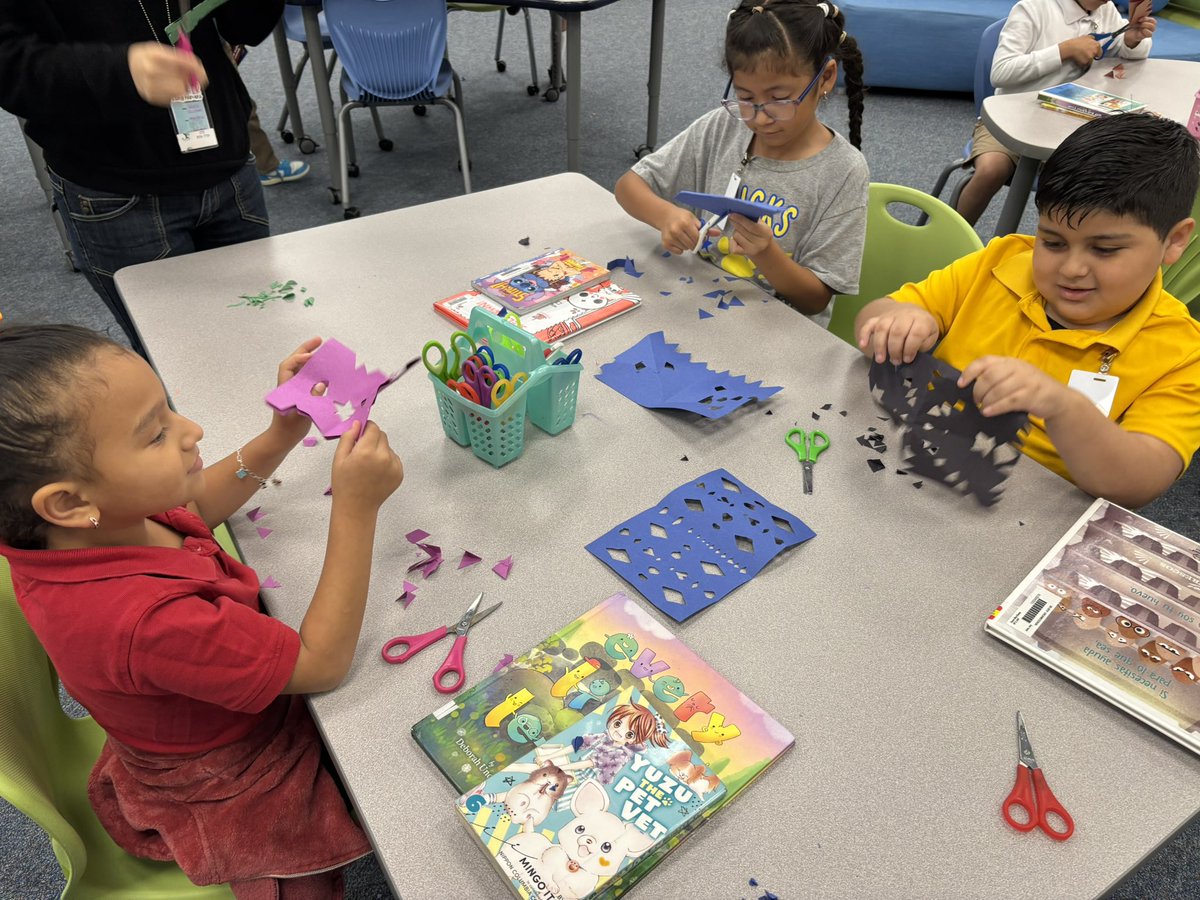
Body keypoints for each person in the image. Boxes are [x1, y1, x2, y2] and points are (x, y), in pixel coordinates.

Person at [0, 325, 404, 896]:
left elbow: (190, 508)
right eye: (156, 434)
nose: (193, 431)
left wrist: (279, 434)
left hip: (191, 709)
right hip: (225, 772)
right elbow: (320, 665)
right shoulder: (147, 622)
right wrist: (358, 508)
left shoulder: (91, 528)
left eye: (170, 410)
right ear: (69, 502)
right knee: (302, 862)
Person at [855, 113, 1200, 508]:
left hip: (1033, 517)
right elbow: (872, 320)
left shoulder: (1183, 354)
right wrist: (897, 320)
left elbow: (1140, 481)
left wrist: (1064, 407)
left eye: (1104, 250)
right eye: (1052, 242)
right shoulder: (1001, 261)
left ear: (1174, 241)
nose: (1071, 269)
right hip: (913, 469)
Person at [0, 1, 286, 357]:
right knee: (181, 359)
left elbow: (243, 26)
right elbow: (9, 63)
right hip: (117, 190)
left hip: (227, 160)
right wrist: (120, 71)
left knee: (265, 335)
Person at [614, 0, 868, 328]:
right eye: (746, 98)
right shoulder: (723, 127)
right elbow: (628, 187)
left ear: (826, 77)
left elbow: (815, 299)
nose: (760, 117)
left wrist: (766, 255)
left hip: (778, 332)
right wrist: (667, 216)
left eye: (779, 99)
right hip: (701, 307)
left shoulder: (844, 170)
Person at [955, 0, 1156, 226]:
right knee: (992, 169)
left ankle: (1060, 249)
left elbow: (1124, 50)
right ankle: (949, 242)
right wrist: (1063, 51)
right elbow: (1001, 72)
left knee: (1100, 177)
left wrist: (1132, 39)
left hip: (1068, 125)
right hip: (1011, 118)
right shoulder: (1033, 8)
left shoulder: (1106, 11)